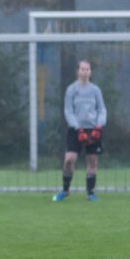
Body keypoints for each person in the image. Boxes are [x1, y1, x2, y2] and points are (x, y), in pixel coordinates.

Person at [54, 60, 108, 202]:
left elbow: (102, 109)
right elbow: (68, 111)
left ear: (90, 72)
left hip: (93, 129)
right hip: (76, 129)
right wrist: (78, 128)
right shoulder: (71, 89)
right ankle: (65, 190)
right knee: (69, 159)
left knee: (92, 160)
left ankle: (90, 193)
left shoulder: (95, 90)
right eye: (82, 69)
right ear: (78, 71)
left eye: (87, 69)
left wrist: (99, 126)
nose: (85, 72)